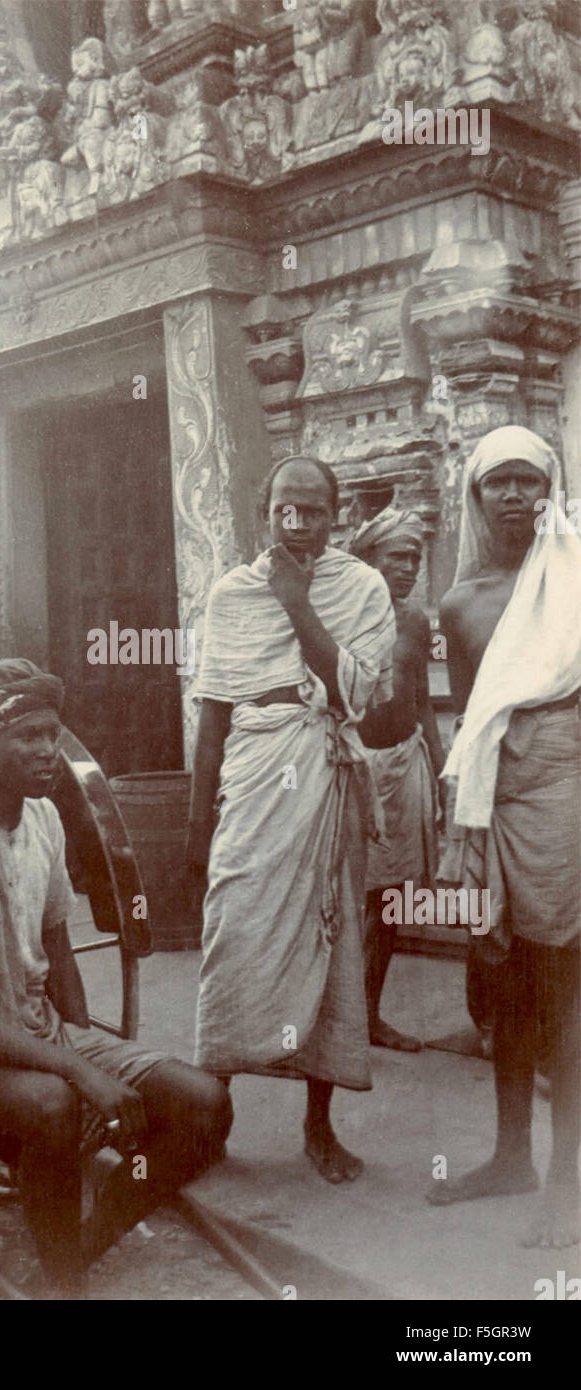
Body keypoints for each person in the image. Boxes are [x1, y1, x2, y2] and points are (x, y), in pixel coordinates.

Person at [0, 659, 232, 1295]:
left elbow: (56, 944)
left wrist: (80, 1045)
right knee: (54, 1104)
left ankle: (73, 1257)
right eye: (29, 737)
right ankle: (65, 1279)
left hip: (36, 1029)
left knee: (204, 1105)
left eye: (52, 733)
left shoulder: (43, 818)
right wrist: (74, 1070)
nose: (49, 752)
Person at [188, 456, 395, 1184]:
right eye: (285, 508)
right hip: (251, 778)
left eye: (313, 510)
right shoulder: (230, 597)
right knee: (233, 934)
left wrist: (298, 602)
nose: (298, 522)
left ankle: (318, 1125)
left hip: (325, 776)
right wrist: (196, 827)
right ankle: (212, 1111)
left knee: (330, 943)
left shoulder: (363, 589)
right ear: (264, 510)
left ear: (335, 516)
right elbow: (213, 714)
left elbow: (355, 696)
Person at [428, 425, 581, 1248]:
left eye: (529, 480)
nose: (515, 494)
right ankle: (512, 1157)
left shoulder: (576, 574)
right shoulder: (460, 602)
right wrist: (463, 827)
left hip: (567, 788)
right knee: (504, 983)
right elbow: (468, 721)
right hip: (492, 796)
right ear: (476, 496)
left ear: (549, 486)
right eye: (499, 483)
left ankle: (568, 1184)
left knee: (564, 985)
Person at [349, 508, 443, 1051]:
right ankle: (331, 1023)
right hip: (354, 770)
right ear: (367, 560)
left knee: (390, 903)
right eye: (397, 557)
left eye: (415, 557)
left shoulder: (415, 621)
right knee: (343, 898)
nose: (408, 567)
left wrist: (439, 760)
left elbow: (423, 697)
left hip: (406, 766)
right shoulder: (338, 616)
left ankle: (369, 1016)